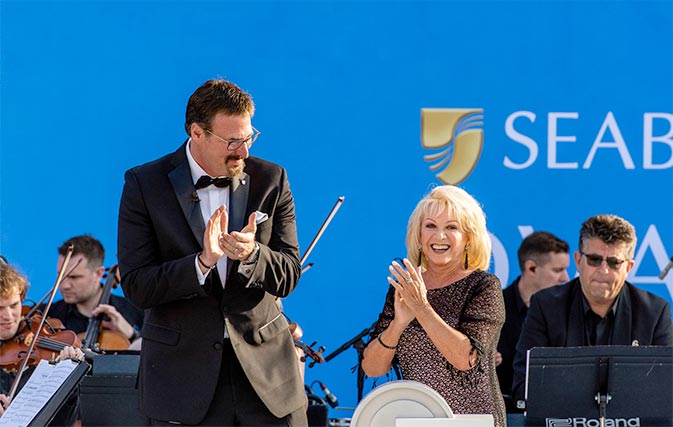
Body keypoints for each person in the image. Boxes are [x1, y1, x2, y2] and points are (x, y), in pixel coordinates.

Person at [118, 79, 306, 426]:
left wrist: (252, 255)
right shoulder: (145, 184)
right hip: (183, 385)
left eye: (249, 138)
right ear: (196, 133)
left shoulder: (271, 179)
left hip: (268, 383)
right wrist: (201, 263)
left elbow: (289, 273)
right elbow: (137, 286)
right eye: (233, 141)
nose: (244, 152)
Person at [361, 185, 506, 427]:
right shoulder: (406, 286)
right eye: (430, 226)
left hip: (472, 420)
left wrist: (422, 308)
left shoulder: (483, 286)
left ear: (468, 238)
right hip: (416, 418)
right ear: (419, 236)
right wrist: (398, 324)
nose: (439, 237)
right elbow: (372, 368)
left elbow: (466, 359)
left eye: (451, 227)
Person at [511, 214, 673, 403]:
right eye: (594, 259)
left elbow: (666, 389)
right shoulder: (545, 306)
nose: (603, 270)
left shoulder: (654, 312)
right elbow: (524, 384)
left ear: (628, 268)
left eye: (614, 262)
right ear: (578, 261)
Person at [0, 262, 84, 421]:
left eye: (14, 305)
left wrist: (65, 376)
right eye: (0, 308)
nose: (9, 316)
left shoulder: (36, 359)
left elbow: (66, 419)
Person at [495, 231, 569, 410]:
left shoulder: (569, 312)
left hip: (554, 410)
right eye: (558, 270)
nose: (565, 278)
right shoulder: (493, 309)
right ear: (532, 268)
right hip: (502, 413)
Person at [49, 235, 143, 345]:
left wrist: (133, 335)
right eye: (60, 276)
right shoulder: (48, 317)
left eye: (74, 277)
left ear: (98, 274)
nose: (64, 285)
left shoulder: (135, 312)